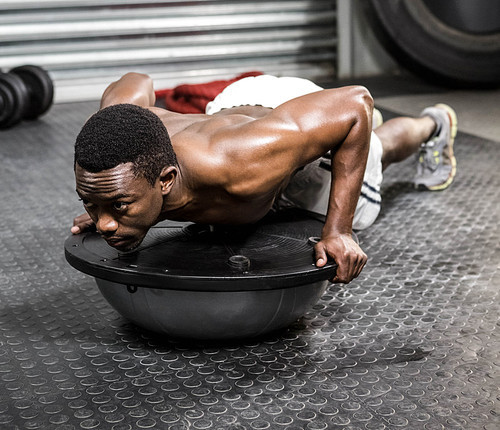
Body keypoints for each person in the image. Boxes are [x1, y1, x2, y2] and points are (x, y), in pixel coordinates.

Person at [71, 73, 458, 284]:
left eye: (119, 204)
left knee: (375, 148)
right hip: (237, 103)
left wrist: (339, 230)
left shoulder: (241, 168)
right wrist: (111, 204)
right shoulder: (111, 151)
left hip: (277, 132)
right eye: (91, 203)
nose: (104, 224)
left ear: (166, 180)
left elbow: (356, 101)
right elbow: (135, 81)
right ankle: (334, 128)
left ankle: (432, 125)